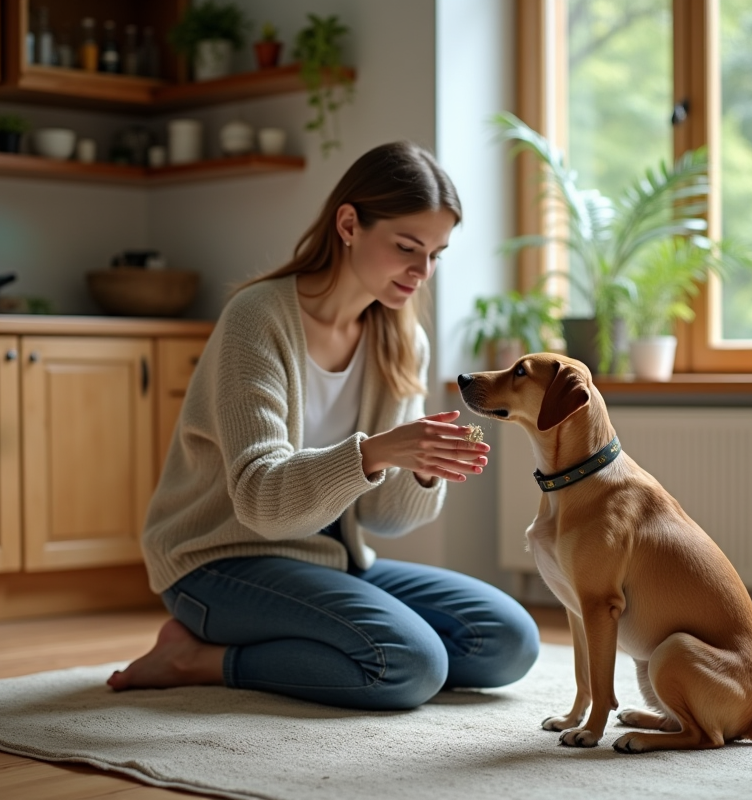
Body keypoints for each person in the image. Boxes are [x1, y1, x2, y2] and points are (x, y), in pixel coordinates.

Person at [108, 141, 540, 710]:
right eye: (407, 247)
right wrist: (376, 453)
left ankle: (311, 639)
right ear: (349, 224)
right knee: (410, 663)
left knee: (508, 641)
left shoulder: (401, 338)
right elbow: (261, 502)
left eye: (436, 253)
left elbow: (384, 519)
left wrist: (423, 469)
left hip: (334, 559)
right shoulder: (257, 319)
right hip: (218, 562)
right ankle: (196, 658)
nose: (422, 271)